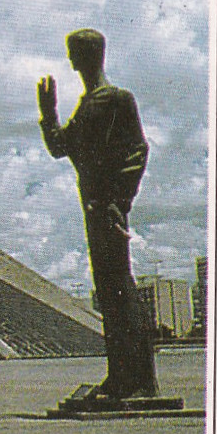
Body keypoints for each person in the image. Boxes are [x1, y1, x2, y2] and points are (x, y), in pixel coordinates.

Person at [38, 28, 159, 400]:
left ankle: (135, 380)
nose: (72, 62)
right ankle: (122, 375)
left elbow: (138, 150)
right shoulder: (87, 104)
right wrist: (49, 114)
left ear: (91, 56)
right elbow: (61, 148)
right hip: (93, 206)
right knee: (108, 291)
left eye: (75, 54)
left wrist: (118, 200)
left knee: (119, 288)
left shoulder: (117, 99)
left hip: (107, 208)